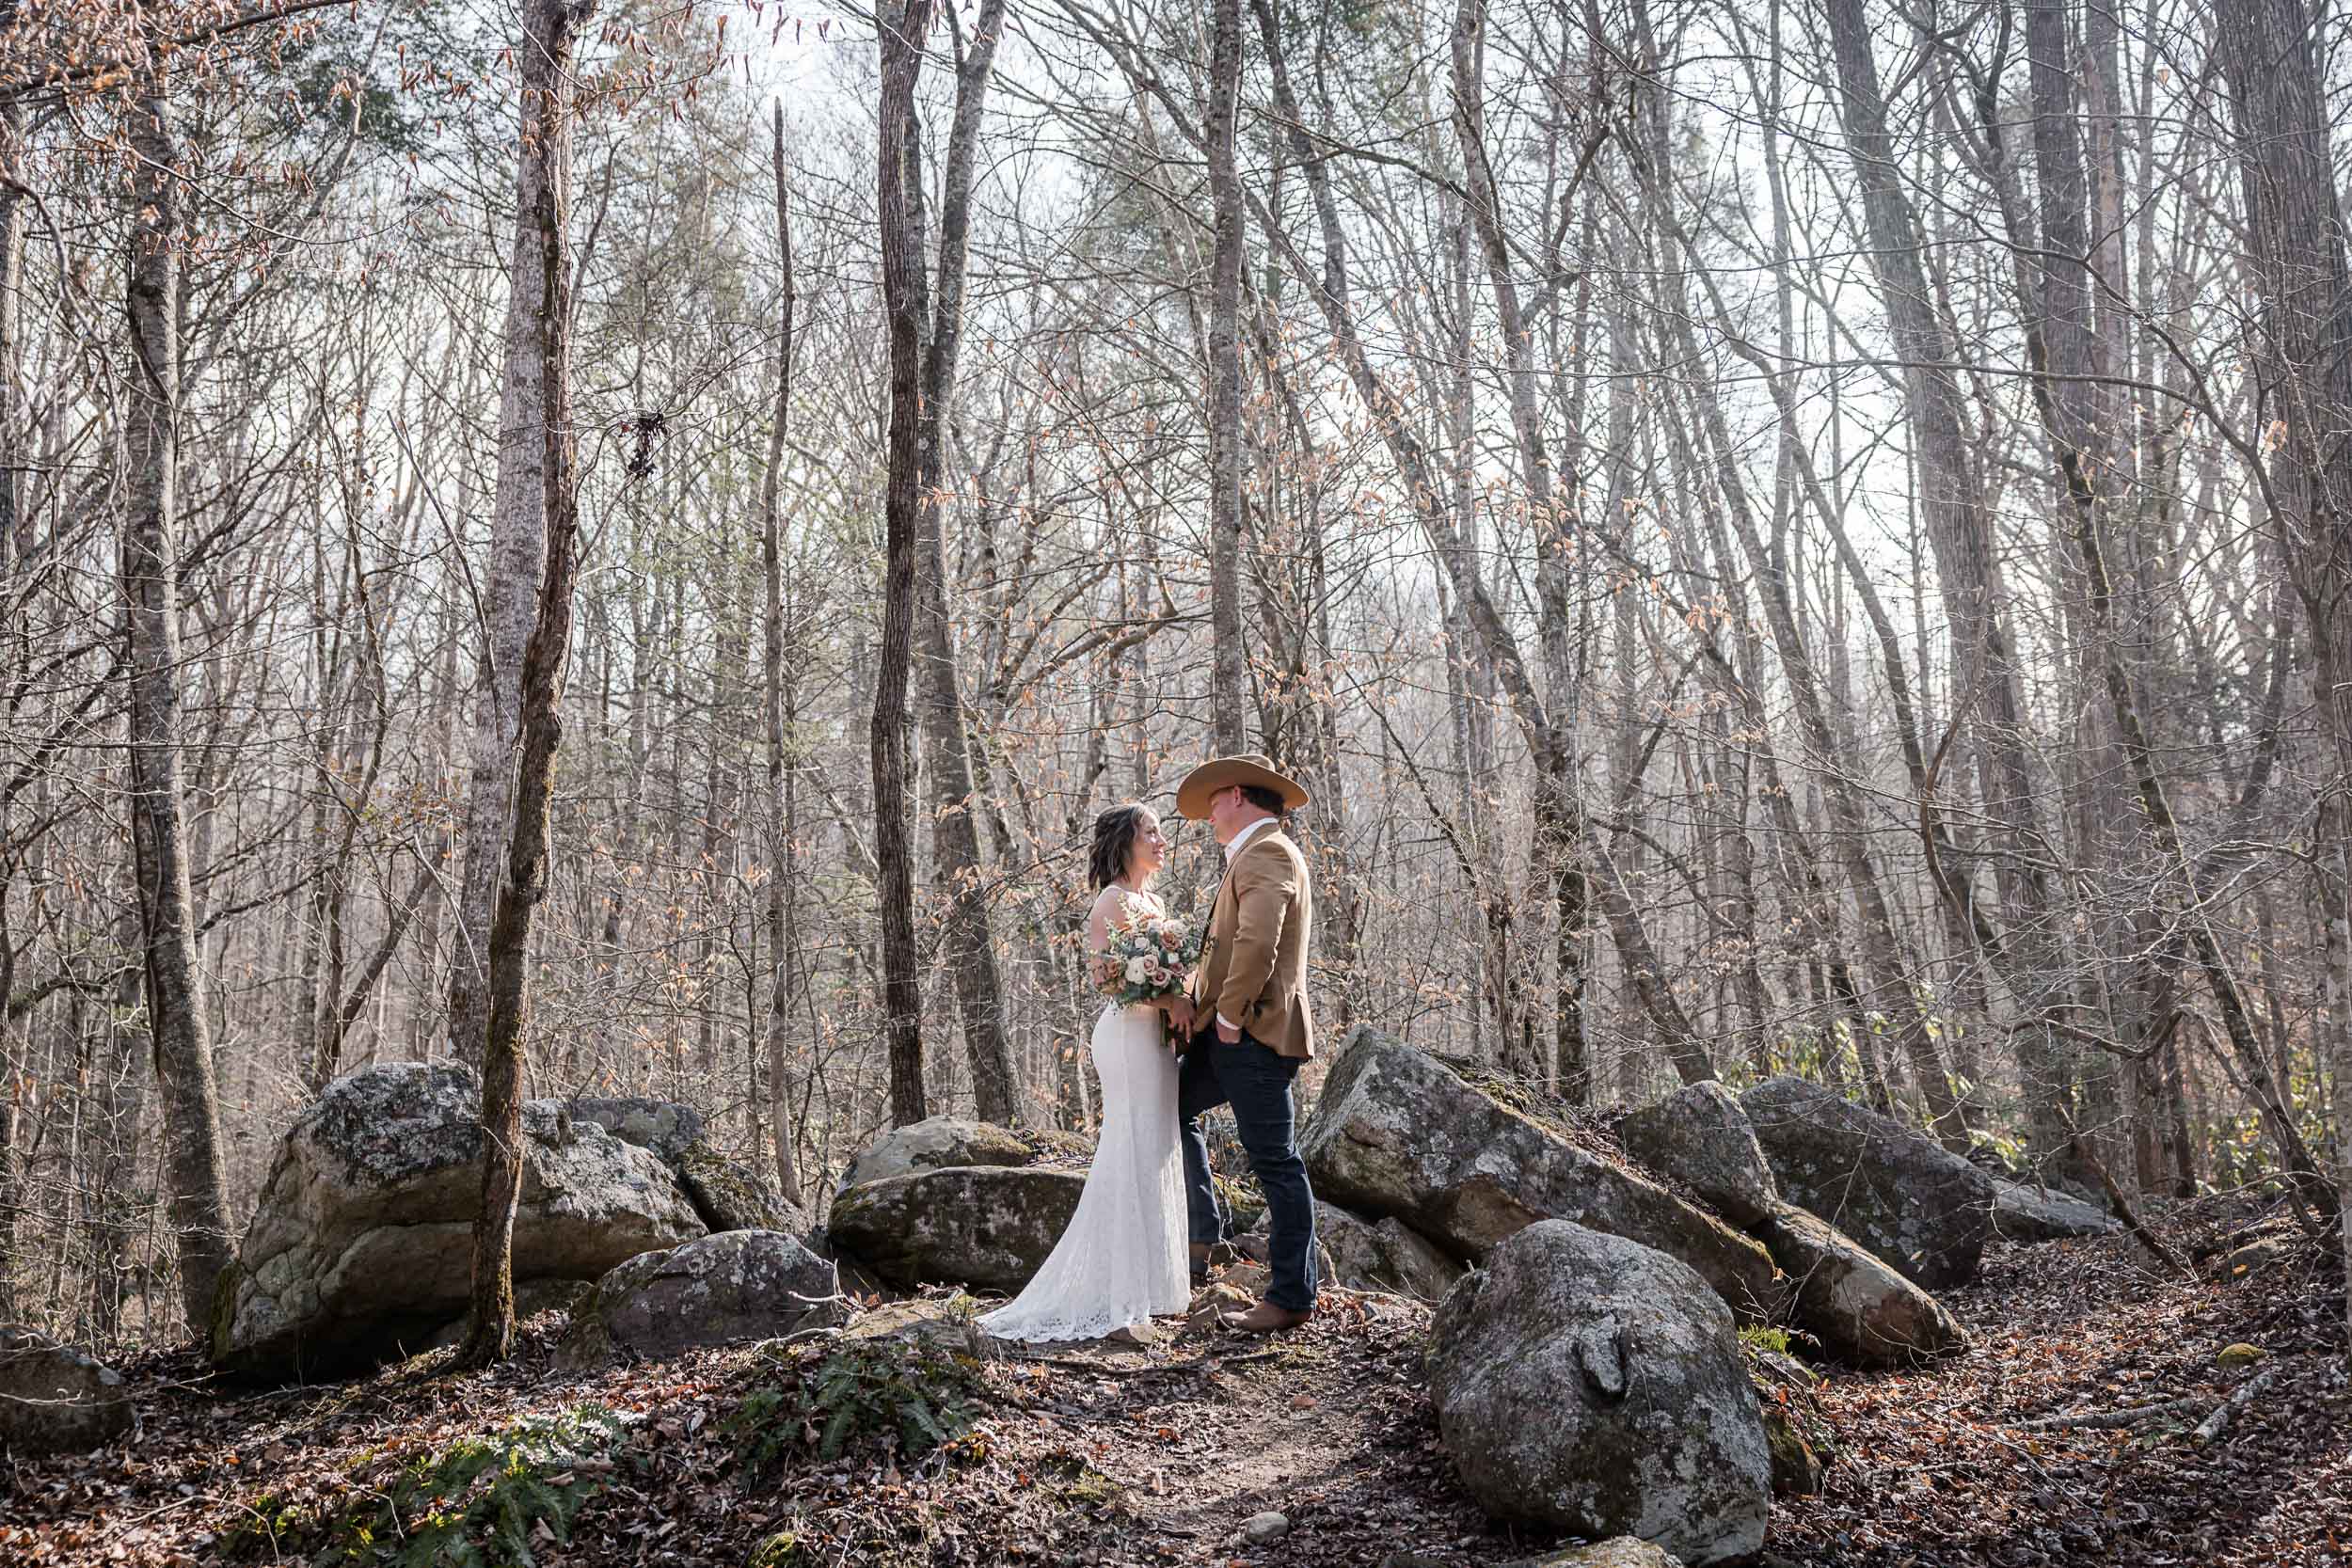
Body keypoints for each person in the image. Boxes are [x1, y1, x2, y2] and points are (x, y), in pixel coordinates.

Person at [978, 804, 1190, 1342]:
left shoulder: (1156, 903)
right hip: (1126, 1039)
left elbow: (1167, 974)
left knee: (1157, 1147)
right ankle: (1117, 1294)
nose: (1161, 841)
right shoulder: (1111, 901)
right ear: (1125, 842)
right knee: (1129, 1146)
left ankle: (1152, 1286)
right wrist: (1168, 995)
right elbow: (1109, 979)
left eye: (1160, 832)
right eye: (1150, 832)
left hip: (1157, 1040)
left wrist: (1181, 992)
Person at [1168, 752, 1320, 1335]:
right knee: (1169, 1108)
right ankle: (1203, 1235)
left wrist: (1229, 1017)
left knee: (1277, 1163)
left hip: (1252, 1035)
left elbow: (1259, 941)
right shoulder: (1253, 854)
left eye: (1213, 802)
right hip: (1227, 1034)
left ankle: (1290, 1297)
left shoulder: (1269, 852)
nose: (1208, 814)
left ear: (1236, 795)